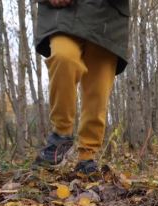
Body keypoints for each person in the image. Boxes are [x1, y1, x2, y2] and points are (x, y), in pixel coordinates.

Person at [33, 0, 130, 176]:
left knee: (98, 89)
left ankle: (87, 156)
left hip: (108, 19)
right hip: (65, 14)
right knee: (63, 57)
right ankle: (61, 135)